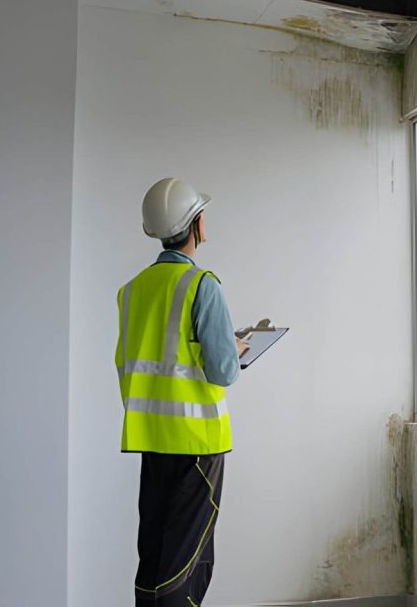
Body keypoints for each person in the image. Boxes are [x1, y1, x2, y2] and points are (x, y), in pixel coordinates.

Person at [115, 177, 248, 606]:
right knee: (187, 560)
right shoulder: (202, 284)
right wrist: (236, 346)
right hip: (197, 446)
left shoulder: (133, 290)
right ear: (196, 224)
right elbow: (223, 370)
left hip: (151, 440)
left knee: (153, 553)